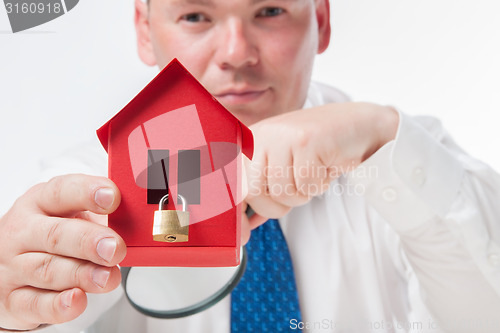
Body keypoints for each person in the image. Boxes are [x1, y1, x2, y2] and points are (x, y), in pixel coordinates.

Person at [1, 0, 500, 331]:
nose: (237, 54)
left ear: (321, 21)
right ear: (146, 32)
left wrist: (377, 135)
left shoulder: (407, 156)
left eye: (270, 9)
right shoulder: (80, 191)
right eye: (196, 15)